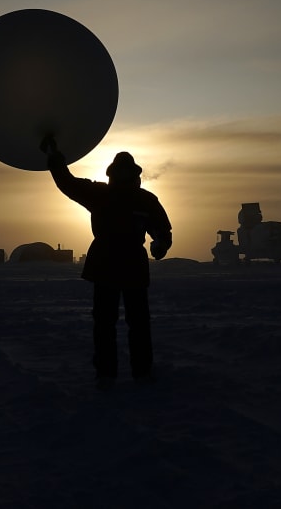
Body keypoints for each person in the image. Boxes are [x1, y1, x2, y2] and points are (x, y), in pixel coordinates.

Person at [41, 136, 172, 387]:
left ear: (134, 174)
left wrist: (160, 244)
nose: (123, 175)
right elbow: (67, 183)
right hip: (106, 265)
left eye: (127, 171)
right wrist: (54, 156)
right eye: (119, 171)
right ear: (113, 173)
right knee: (104, 324)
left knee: (139, 324)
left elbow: (162, 230)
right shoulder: (99, 194)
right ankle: (106, 374)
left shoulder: (146, 200)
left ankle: (142, 372)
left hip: (132, 264)